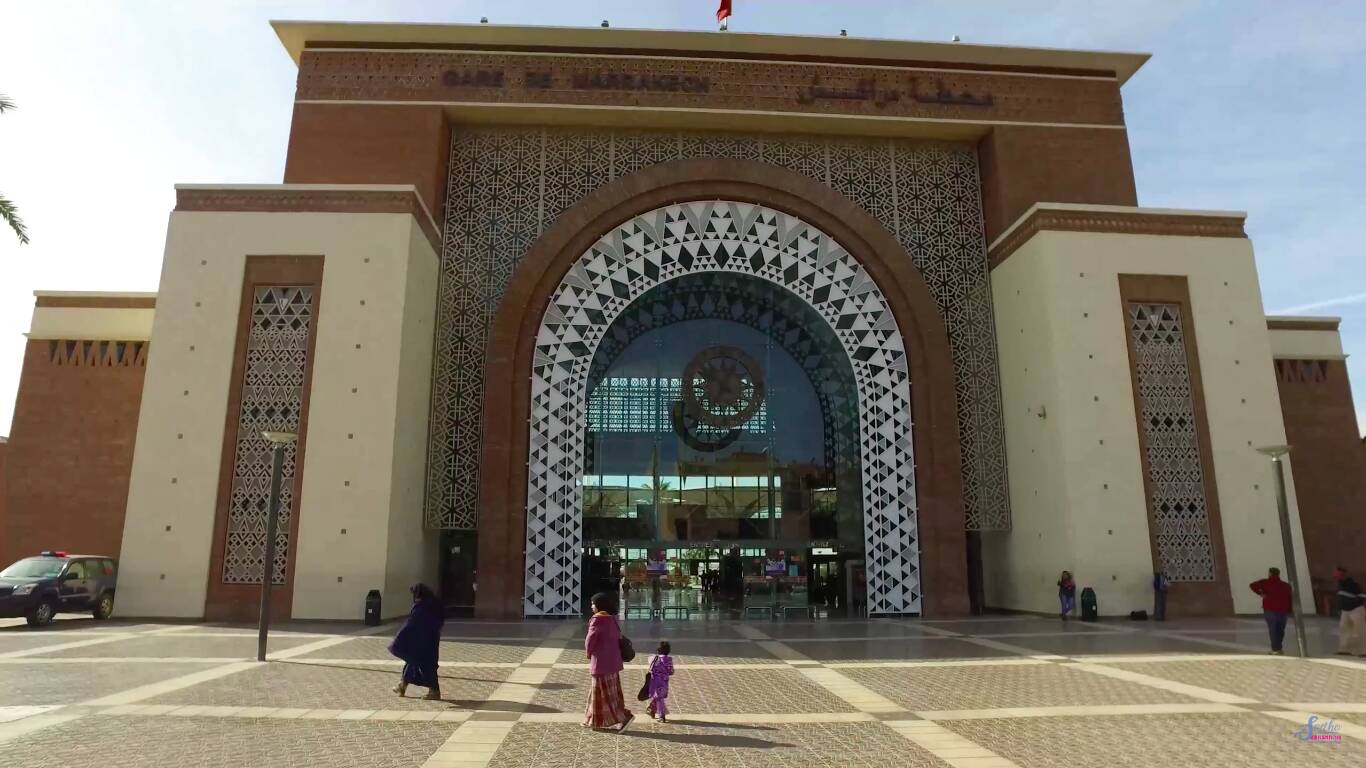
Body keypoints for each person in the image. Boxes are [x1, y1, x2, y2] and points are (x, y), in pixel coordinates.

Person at [584, 591, 633, 731]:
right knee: (608, 693)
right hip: (613, 663)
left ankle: (624, 717)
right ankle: (593, 719)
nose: (592, 606)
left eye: (593, 604)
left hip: (601, 663)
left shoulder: (597, 619)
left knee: (603, 695)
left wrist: (589, 653)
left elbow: (589, 642)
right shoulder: (612, 619)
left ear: (600, 605)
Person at [389, 583, 444, 699]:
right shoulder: (434, 605)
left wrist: (399, 639)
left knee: (424, 665)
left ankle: (434, 691)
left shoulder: (422, 608)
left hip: (421, 640)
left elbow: (411, 624)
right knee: (414, 661)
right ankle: (402, 686)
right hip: (430, 639)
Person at [1250, 567, 1293, 655]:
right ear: (1278, 574)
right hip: (1283, 610)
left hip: (1270, 609)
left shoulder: (1265, 582)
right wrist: (1290, 611)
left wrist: (1261, 594)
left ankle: (1275, 649)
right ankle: (1279, 647)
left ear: (1270, 573)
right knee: (1280, 630)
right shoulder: (1285, 585)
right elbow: (1290, 598)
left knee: (1273, 629)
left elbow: (1252, 585)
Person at [1333, 566, 1366, 656]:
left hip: (1356, 610)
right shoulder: (1340, 584)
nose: (1334, 576)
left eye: (1336, 574)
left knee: (1360, 630)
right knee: (1344, 630)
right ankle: (1345, 650)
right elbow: (1340, 598)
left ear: (1342, 575)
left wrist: (1354, 602)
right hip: (1345, 611)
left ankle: (1364, 651)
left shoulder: (1353, 584)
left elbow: (1362, 595)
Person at [645, 641, 675, 722]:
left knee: (658, 697)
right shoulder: (669, 660)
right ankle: (657, 713)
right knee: (659, 698)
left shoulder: (653, 658)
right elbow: (671, 671)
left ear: (658, 650)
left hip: (654, 682)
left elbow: (650, 664)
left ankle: (656, 712)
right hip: (664, 683)